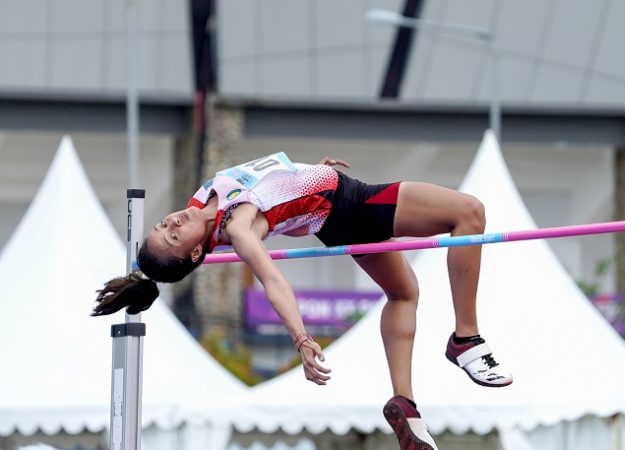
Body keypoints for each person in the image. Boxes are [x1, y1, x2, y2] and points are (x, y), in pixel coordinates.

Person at [92, 151, 512, 450]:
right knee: (469, 214)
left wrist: (308, 173)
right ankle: (466, 338)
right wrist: (301, 338)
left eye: (162, 224)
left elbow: (274, 191)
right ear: (196, 254)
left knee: (404, 293)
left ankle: (405, 402)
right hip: (353, 204)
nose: (172, 222)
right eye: (172, 236)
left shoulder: (200, 202)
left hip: (331, 213)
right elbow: (272, 281)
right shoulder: (237, 229)